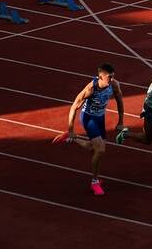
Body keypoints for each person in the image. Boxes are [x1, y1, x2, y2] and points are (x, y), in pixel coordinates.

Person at [53, 63, 124, 196]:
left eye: (113, 76)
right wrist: (71, 128)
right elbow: (74, 106)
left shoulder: (114, 85)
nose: (112, 79)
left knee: (93, 148)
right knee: (101, 149)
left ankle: (71, 139)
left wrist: (121, 121)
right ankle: (94, 182)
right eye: (109, 77)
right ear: (100, 77)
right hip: (88, 118)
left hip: (100, 118)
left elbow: (120, 101)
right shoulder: (90, 89)